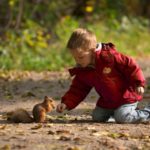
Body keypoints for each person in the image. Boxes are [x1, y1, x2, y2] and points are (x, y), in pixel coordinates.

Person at [56, 28, 150, 123]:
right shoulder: (83, 70)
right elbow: (77, 89)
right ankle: (120, 113)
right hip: (108, 102)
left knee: (123, 117)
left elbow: (131, 66)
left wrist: (138, 83)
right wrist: (66, 103)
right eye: (74, 57)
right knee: (97, 117)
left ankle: (147, 112)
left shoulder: (110, 57)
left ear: (92, 51)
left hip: (127, 97)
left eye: (81, 57)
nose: (77, 61)